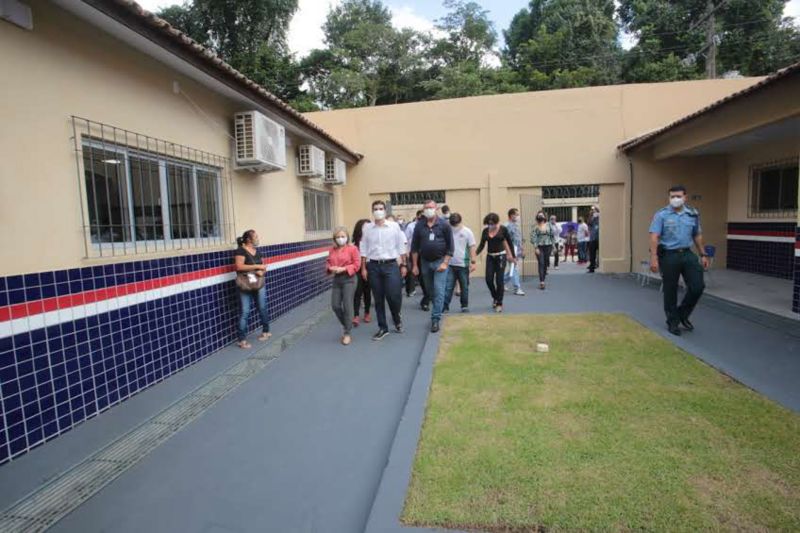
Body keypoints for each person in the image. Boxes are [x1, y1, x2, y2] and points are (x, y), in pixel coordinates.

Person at [649, 185, 709, 336]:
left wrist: (703, 254)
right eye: (672, 196)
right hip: (669, 255)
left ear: (685, 197)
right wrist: (654, 258)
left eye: (678, 196)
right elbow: (654, 236)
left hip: (688, 254)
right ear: (669, 198)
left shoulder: (692, 214)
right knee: (670, 290)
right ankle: (672, 321)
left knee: (698, 286)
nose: (675, 199)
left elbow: (697, 235)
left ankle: (682, 314)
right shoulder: (661, 215)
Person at [360, 200, 407, 340]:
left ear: (385, 211)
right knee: (378, 298)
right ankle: (383, 327)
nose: (378, 211)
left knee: (394, 296)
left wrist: (404, 264)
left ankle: (396, 318)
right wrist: (363, 268)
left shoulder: (394, 226)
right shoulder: (367, 228)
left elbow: (401, 246)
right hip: (373, 266)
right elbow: (363, 248)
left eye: (381, 208)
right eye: (375, 208)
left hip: (391, 265)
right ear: (372, 211)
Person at [412, 199, 454, 333]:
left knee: (439, 290)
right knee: (430, 291)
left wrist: (445, 262)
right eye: (426, 208)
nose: (428, 209)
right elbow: (414, 247)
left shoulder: (444, 225)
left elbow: (451, 246)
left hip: (440, 261)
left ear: (436, 208)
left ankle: (435, 319)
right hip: (424, 262)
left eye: (431, 207)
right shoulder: (419, 225)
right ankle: (438, 307)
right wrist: (414, 265)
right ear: (423, 210)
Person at [233, 230, 271, 349]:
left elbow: (264, 266)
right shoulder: (240, 250)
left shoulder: (257, 252)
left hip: (258, 283)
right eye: (255, 236)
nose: (257, 238)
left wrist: (262, 270)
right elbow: (239, 266)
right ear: (249, 239)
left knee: (262, 307)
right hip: (245, 284)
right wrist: (257, 267)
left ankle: (266, 331)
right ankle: (242, 340)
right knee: (245, 311)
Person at [326, 227, 361, 345]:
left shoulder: (353, 249)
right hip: (337, 279)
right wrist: (330, 268)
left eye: (343, 236)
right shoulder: (332, 250)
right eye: (338, 237)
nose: (341, 239)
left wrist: (344, 268)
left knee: (347, 305)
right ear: (334, 239)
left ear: (347, 237)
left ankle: (347, 333)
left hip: (349, 279)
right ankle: (347, 324)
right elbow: (328, 262)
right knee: (335, 305)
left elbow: (357, 264)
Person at [476, 213, 516, 312]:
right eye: (488, 224)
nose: (490, 225)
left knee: (499, 281)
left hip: (501, 257)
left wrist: (513, 256)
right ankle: (495, 296)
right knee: (488, 279)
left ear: (496, 222)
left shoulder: (503, 229)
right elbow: (481, 245)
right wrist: (474, 254)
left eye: (492, 223)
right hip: (490, 257)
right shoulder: (485, 231)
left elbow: (510, 242)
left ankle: (499, 303)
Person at [443, 212, 476, 313]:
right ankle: (445, 306)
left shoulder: (467, 231)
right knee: (448, 287)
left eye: (456, 224)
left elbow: (472, 246)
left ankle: (464, 305)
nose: (455, 227)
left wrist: (473, 261)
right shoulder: (447, 231)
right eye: (453, 225)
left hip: (463, 264)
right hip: (450, 264)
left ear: (460, 222)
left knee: (464, 286)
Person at [351, 219, 372, 327]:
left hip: (369, 267)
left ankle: (367, 312)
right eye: (364, 227)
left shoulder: (372, 241)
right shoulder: (354, 244)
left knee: (367, 291)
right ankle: (356, 315)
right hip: (357, 269)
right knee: (357, 292)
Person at [531, 212, 557, 290]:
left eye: (542, 215)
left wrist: (554, 246)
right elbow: (533, 238)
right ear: (537, 217)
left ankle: (543, 278)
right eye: (539, 215)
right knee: (541, 263)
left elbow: (552, 236)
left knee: (545, 263)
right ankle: (542, 282)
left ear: (544, 217)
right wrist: (536, 248)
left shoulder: (549, 225)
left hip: (548, 246)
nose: (540, 216)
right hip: (539, 247)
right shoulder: (534, 226)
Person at [503, 208, 525, 296]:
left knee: (513, 269)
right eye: (516, 214)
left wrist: (522, 249)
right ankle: (517, 288)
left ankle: (501, 282)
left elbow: (518, 239)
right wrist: (508, 253)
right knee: (514, 268)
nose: (517, 216)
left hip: (517, 250)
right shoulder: (506, 226)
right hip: (510, 250)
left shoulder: (516, 225)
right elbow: (504, 240)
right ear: (511, 215)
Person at [404, 210, 424, 298]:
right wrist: (407, 251)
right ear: (417, 216)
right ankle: (411, 290)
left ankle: (426, 290)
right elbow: (406, 239)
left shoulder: (426, 225)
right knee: (412, 270)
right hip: (413, 251)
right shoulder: (411, 226)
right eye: (420, 216)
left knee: (423, 271)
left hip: (424, 251)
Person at [587, 206, 600, 273]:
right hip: (592, 238)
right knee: (592, 254)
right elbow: (589, 223)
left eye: (594, 210)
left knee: (600, 253)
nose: (593, 211)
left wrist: (598, 216)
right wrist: (592, 216)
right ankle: (592, 268)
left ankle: (598, 265)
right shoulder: (591, 218)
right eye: (592, 210)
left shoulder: (600, 216)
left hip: (600, 238)